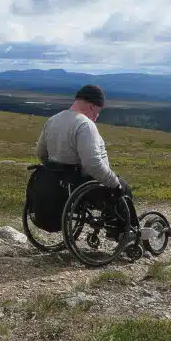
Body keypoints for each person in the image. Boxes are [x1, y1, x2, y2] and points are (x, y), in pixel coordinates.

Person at [34, 84, 138, 233]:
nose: (97, 115)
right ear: (91, 106)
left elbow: (40, 153)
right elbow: (93, 164)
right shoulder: (85, 125)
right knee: (123, 188)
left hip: (58, 183)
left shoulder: (53, 120)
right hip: (81, 185)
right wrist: (115, 183)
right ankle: (125, 233)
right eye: (98, 110)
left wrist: (55, 169)